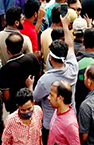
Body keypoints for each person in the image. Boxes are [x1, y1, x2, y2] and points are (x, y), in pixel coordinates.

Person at [33, 12, 77, 143]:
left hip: (51, 125)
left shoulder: (45, 80)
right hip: (70, 118)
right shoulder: (72, 69)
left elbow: (35, 98)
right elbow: (70, 46)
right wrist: (65, 26)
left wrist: (30, 85)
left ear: (50, 58)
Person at [0, 33, 40, 114]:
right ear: (22, 47)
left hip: (16, 108)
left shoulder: (5, 69)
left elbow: (6, 97)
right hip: (33, 102)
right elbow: (38, 76)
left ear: (7, 49)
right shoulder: (32, 58)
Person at [46, 81, 80, 145]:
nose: (48, 97)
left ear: (60, 98)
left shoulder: (70, 125)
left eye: (52, 95)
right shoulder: (57, 110)